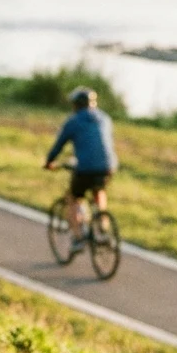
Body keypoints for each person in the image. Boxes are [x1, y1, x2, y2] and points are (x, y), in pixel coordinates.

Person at [43, 87, 118, 249]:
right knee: (99, 191)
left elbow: (59, 145)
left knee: (73, 198)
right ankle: (103, 226)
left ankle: (78, 238)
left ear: (76, 105)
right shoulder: (105, 118)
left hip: (86, 168)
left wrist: (49, 162)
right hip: (108, 166)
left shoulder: (73, 121)